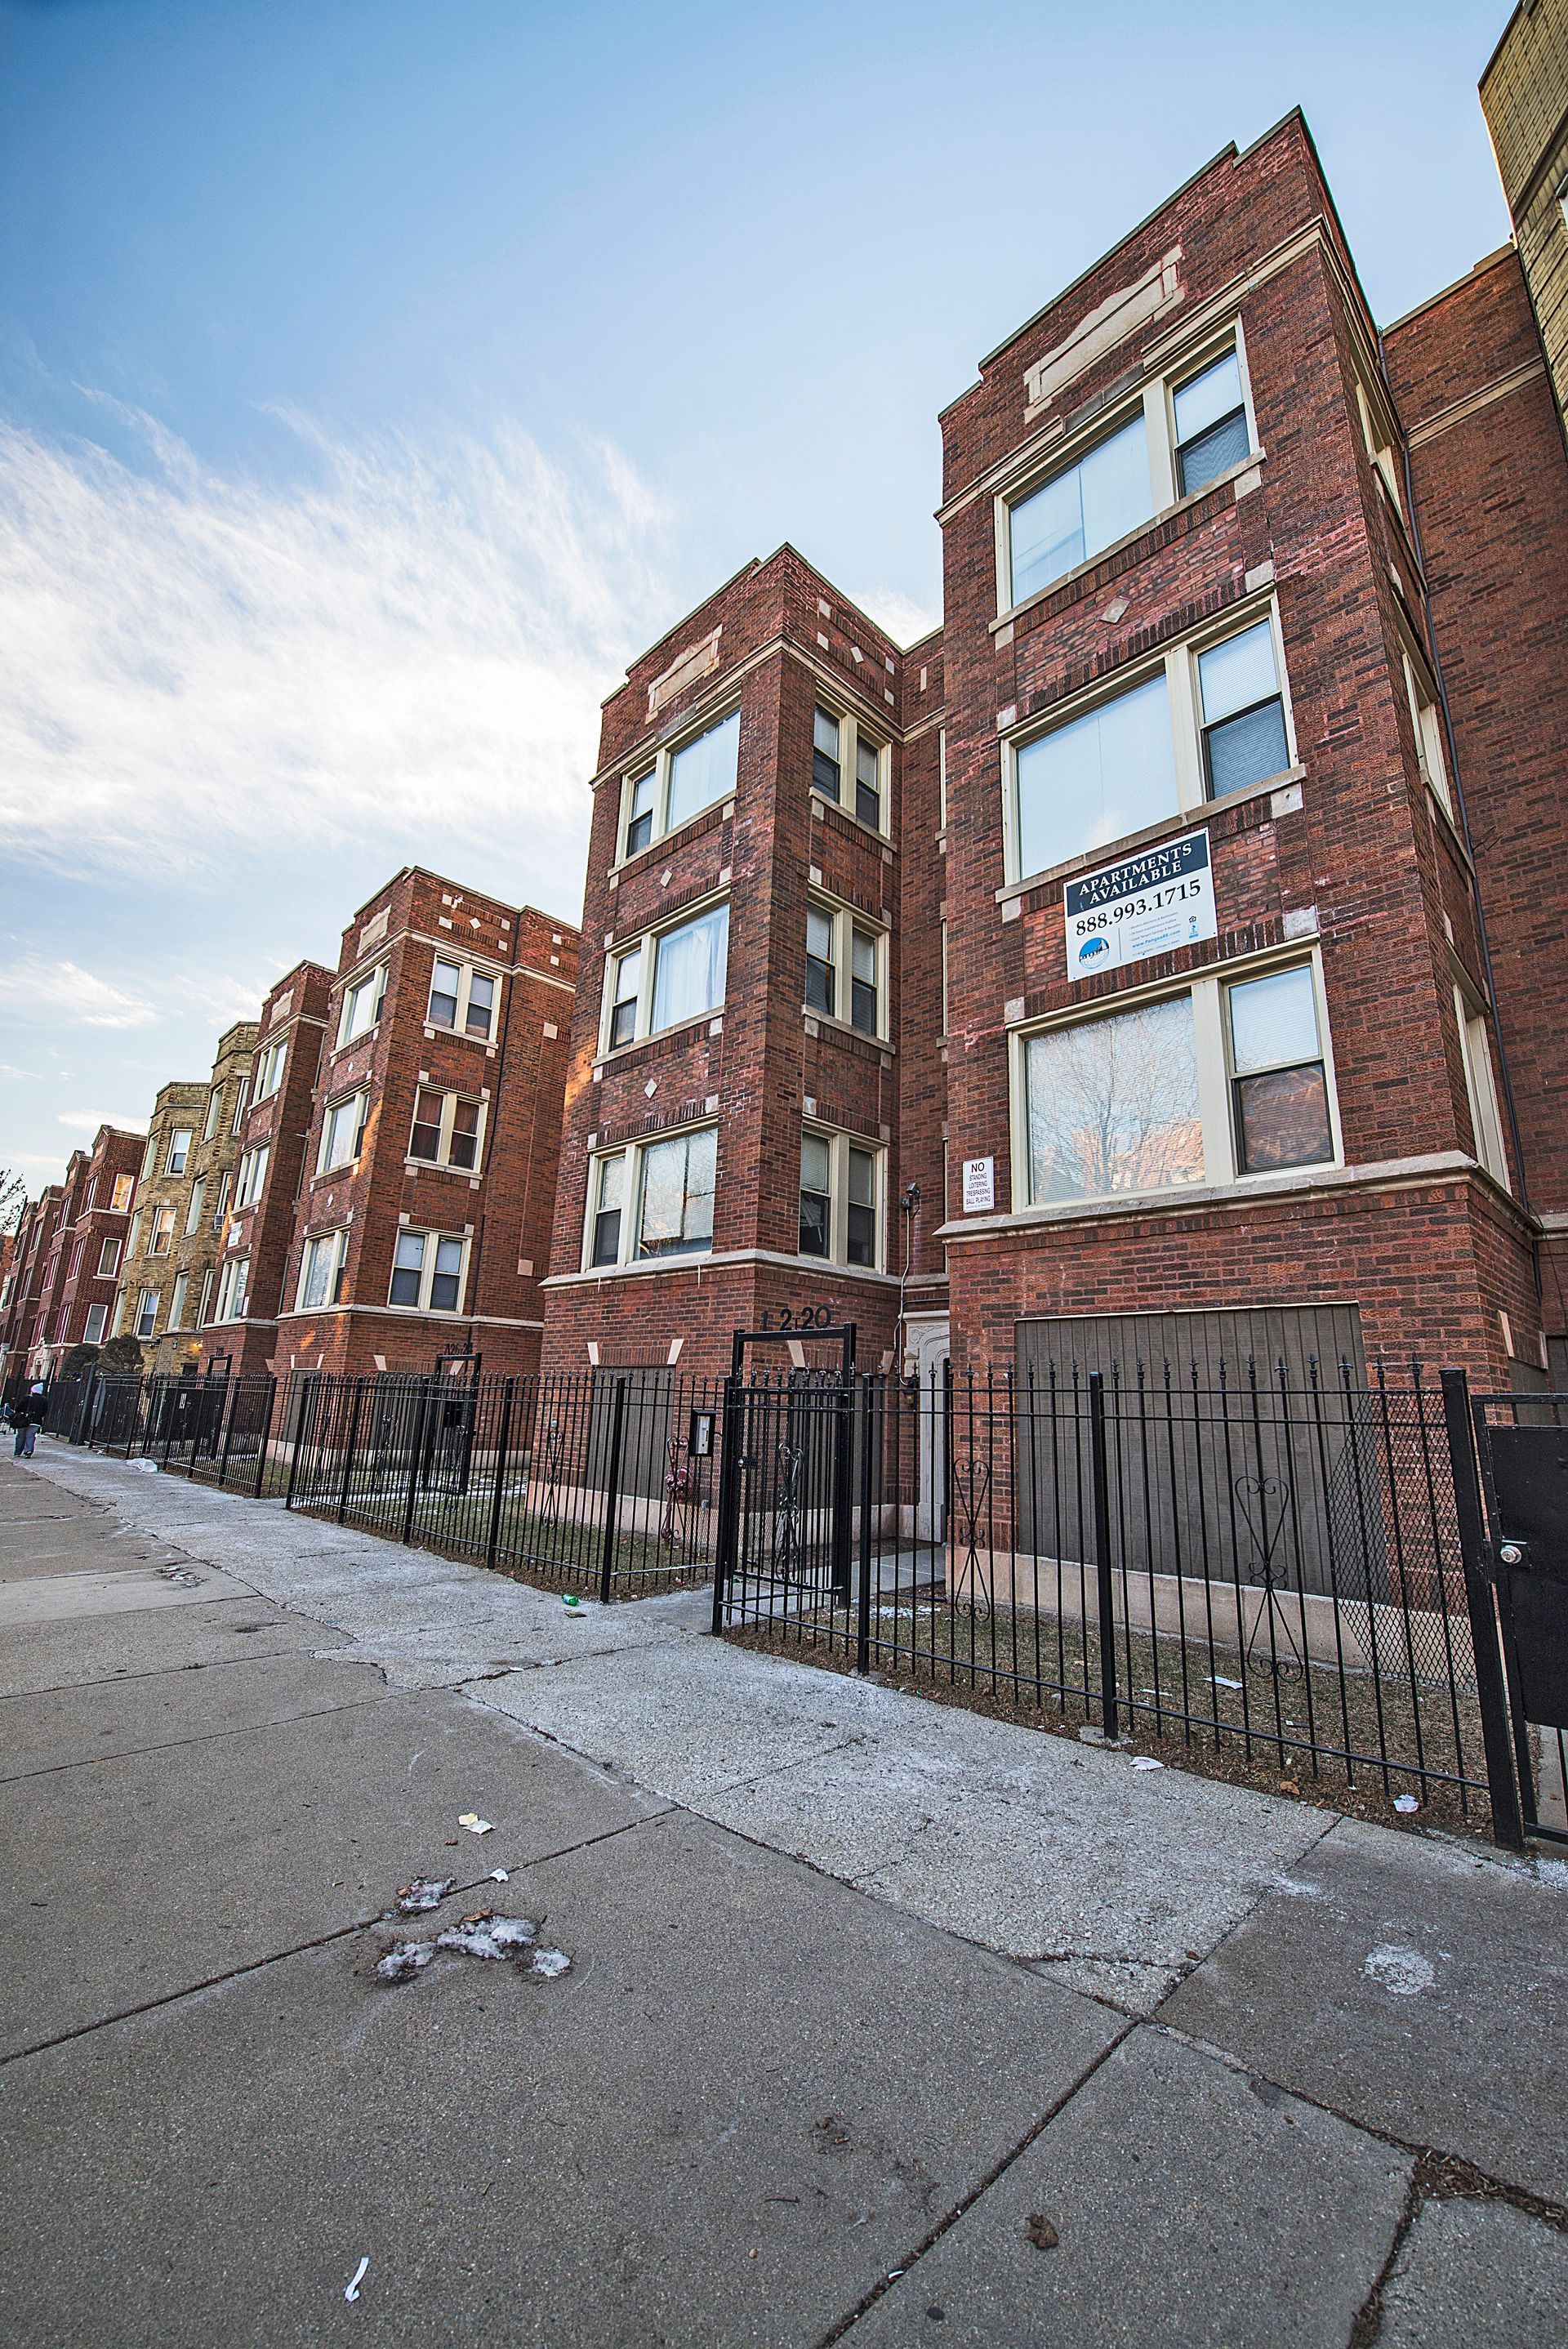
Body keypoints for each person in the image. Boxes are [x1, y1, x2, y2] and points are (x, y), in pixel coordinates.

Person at [15, 1382, 46, 1459]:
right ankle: (28, 1450)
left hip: (24, 1420)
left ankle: (18, 1452)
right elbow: (44, 1411)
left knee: (21, 1435)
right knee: (31, 1436)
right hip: (36, 1421)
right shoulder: (43, 1400)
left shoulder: (26, 1398)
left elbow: (18, 1408)